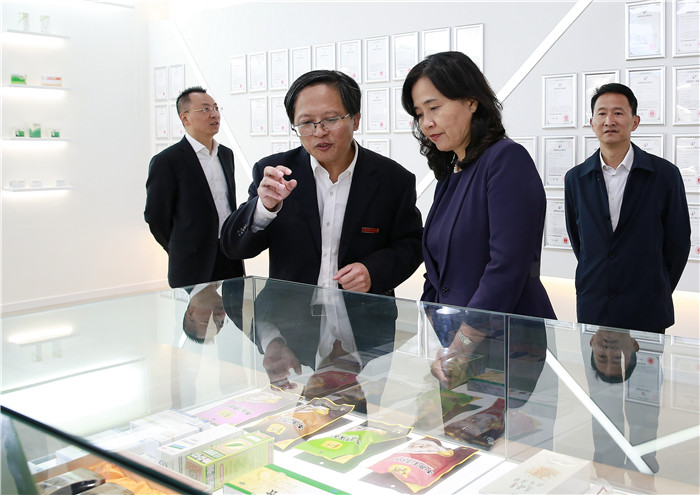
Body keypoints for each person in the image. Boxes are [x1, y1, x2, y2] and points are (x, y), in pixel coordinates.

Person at [221, 69, 423, 389]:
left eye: (331, 119)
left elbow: (411, 243)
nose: (319, 132)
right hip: (288, 328)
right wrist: (264, 208)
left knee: (363, 415)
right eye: (306, 122)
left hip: (365, 328)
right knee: (293, 415)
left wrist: (373, 270)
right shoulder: (276, 173)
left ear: (355, 119)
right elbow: (234, 247)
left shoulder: (392, 180)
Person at [401, 51, 555, 366]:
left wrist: (464, 342)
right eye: (419, 113)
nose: (427, 123)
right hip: (455, 344)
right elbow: (438, 270)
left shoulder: (506, 159)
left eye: (434, 107)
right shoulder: (451, 172)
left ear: (472, 101)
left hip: (506, 344)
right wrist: (437, 327)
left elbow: (507, 266)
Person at [565, 83, 691, 333]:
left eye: (618, 113)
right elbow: (580, 243)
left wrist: (657, 288)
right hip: (594, 308)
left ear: (635, 122)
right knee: (593, 362)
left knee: (646, 362)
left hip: (647, 309)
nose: (609, 120)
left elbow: (678, 244)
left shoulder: (664, 175)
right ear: (592, 123)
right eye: (602, 113)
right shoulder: (576, 178)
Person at [145, 86, 244, 288]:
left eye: (215, 108)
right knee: (196, 310)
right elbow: (156, 216)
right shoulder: (167, 160)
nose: (214, 114)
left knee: (234, 307)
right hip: (192, 262)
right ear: (185, 118)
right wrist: (179, 248)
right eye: (205, 109)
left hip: (229, 256)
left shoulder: (226, 154)